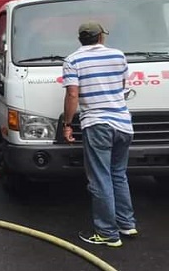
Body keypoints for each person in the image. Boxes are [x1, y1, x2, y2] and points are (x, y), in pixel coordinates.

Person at [62, 21, 137, 248]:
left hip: (98, 124)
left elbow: (73, 94)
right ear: (101, 37)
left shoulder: (72, 60)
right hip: (124, 124)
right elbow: (120, 85)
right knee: (118, 175)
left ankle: (107, 233)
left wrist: (67, 123)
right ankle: (127, 223)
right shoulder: (118, 56)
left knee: (100, 178)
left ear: (80, 39)